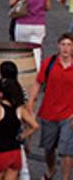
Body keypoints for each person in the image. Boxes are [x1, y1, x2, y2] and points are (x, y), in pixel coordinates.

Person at [27, 32, 73, 180]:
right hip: (48, 113)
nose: (65, 48)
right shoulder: (49, 63)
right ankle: (51, 169)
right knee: (48, 148)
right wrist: (30, 103)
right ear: (58, 46)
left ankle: (66, 177)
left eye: (69, 45)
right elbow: (38, 83)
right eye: (63, 44)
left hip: (68, 115)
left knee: (67, 151)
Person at [0, 76, 40, 180]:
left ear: (2, 93)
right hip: (15, 152)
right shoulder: (20, 109)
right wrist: (22, 136)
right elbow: (35, 126)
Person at [11, 0, 53, 69]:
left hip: (23, 23)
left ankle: (22, 70)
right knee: (36, 50)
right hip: (39, 25)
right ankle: (37, 71)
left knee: (21, 49)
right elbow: (48, 6)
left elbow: (11, 2)